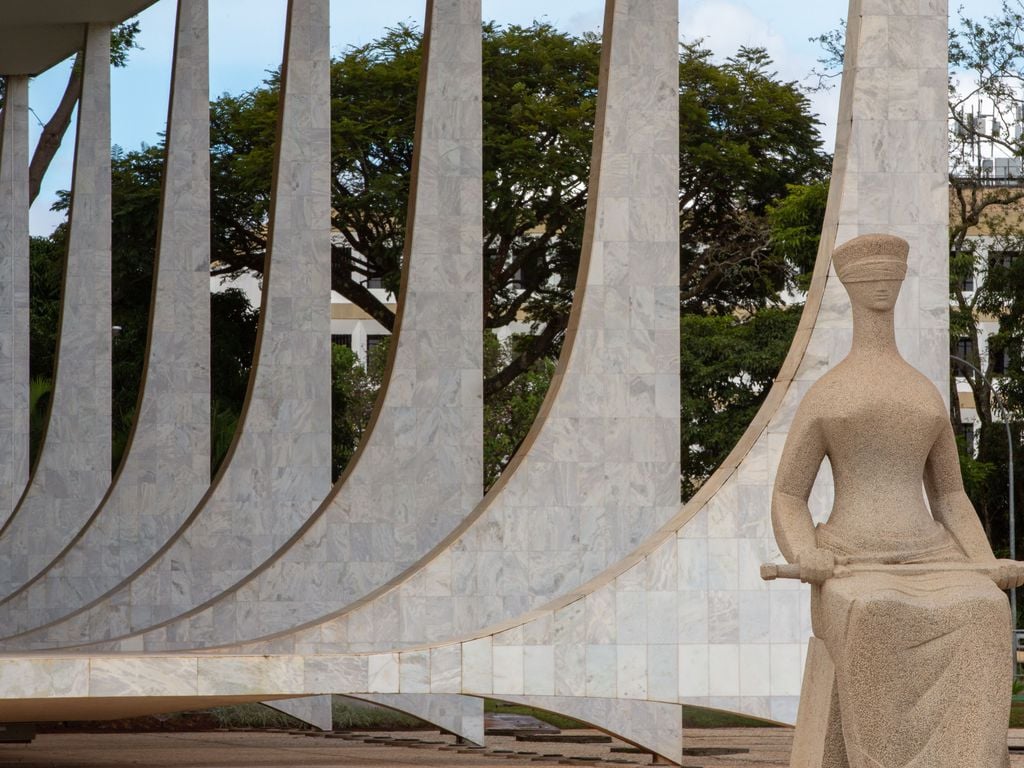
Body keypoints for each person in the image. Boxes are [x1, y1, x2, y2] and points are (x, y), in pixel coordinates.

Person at [771, 233, 1024, 768]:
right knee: (877, 611)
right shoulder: (828, 393)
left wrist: (983, 563)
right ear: (851, 286)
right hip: (851, 559)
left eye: (891, 274)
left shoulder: (923, 391)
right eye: (870, 276)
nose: (881, 282)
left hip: (931, 555)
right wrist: (804, 552)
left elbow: (950, 496)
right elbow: (789, 495)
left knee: (985, 609)